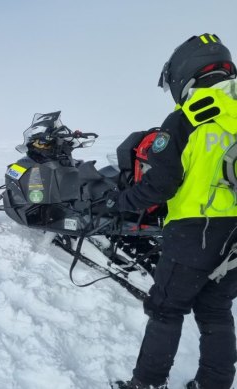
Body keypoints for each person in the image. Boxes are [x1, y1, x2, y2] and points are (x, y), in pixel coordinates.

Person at [110, 34, 237, 389]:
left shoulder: (187, 118)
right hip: (234, 238)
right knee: (216, 309)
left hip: (195, 231)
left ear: (185, 72)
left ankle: (147, 383)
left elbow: (160, 185)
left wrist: (119, 203)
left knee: (166, 308)